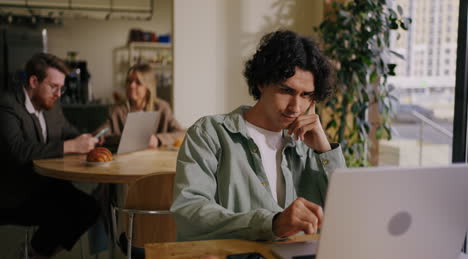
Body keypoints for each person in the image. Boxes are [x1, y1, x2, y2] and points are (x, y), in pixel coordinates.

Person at [171, 30, 346, 241]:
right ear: (262, 83)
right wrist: (273, 223)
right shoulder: (210, 134)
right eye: (286, 91)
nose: (295, 106)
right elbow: (190, 212)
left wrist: (325, 150)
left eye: (306, 95)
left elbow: (347, 216)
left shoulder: (308, 145)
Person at [0, 53, 100, 259]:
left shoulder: (51, 105)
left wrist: (86, 138)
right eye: (54, 86)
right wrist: (71, 146)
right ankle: (35, 257)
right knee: (62, 214)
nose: (58, 93)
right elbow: (19, 151)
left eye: (61, 87)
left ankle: (35, 255)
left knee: (92, 208)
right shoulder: (8, 105)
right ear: (34, 81)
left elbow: (67, 131)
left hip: (46, 186)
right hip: (15, 193)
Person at [95, 63, 184, 149]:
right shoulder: (117, 110)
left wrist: (158, 139)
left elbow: (181, 133)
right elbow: (101, 133)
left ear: (148, 87)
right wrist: (102, 137)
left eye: (138, 82)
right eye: (129, 81)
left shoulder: (162, 108)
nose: (131, 85)